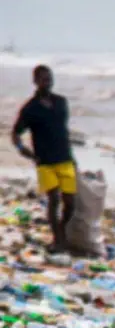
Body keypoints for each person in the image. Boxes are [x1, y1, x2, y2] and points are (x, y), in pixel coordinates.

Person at [11, 64, 76, 252]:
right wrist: (24, 150)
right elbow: (16, 133)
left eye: (50, 79)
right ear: (35, 82)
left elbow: (63, 131)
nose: (48, 82)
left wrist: (73, 158)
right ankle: (58, 240)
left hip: (65, 158)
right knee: (54, 199)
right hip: (45, 162)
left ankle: (61, 231)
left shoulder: (61, 102)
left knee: (71, 203)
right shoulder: (30, 109)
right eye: (43, 79)